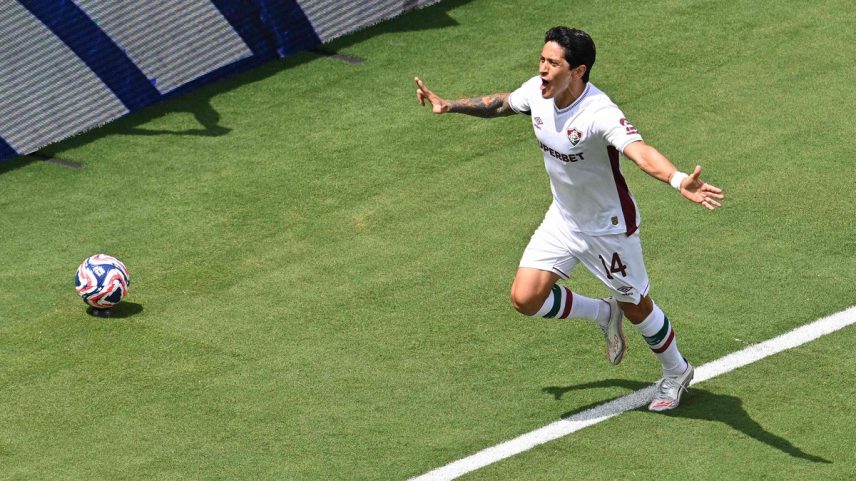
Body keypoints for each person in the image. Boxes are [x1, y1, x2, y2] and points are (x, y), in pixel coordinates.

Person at [414, 26, 724, 411]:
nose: (542, 69)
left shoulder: (598, 113)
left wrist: (678, 179)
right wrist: (450, 104)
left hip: (608, 228)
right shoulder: (537, 92)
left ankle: (676, 371)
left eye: (553, 63)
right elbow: (502, 103)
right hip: (563, 218)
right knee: (525, 298)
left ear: (577, 71)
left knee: (637, 306)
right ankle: (602, 313)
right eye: (541, 60)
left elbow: (639, 151)